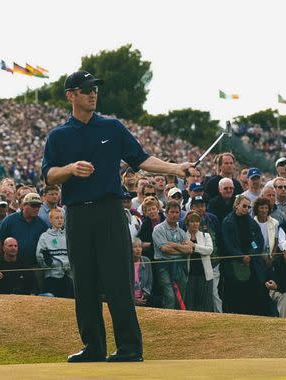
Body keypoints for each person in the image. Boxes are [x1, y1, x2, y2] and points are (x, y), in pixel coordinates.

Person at [42, 70, 192, 363]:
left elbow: (141, 158)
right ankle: (93, 347)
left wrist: (175, 168)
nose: (93, 94)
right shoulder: (58, 136)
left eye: (95, 89)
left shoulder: (112, 127)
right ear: (71, 95)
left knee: (118, 282)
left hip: (110, 211)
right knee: (84, 283)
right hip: (77, 214)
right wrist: (70, 169)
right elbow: (48, 174)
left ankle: (129, 348)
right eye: (86, 90)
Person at [221, 194, 266, 315]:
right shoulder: (227, 222)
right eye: (244, 206)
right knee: (236, 295)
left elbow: (258, 241)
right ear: (236, 205)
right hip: (234, 265)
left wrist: (251, 254)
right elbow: (227, 244)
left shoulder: (251, 222)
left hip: (251, 264)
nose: (247, 209)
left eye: (249, 207)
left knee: (251, 295)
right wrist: (241, 257)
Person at [152, 200, 191, 309]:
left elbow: (189, 250)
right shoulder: (158, 229)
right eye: (172, 212)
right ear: (166, 213)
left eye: (177, 212)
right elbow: (165, 248)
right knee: (170, 296)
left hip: (180, 266)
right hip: (164, 266)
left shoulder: (181, 232)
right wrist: (181, 249)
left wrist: (174, 245)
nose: (174, 215)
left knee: (181, 297)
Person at [36, 208, 72, 298]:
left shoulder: (68, 235)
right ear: (50, 220)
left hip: (68, 275)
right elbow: (40, 255)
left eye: (61, 218)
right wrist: (50, 264)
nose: (60, 220)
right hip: (52, 275)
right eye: (56, 218)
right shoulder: (45, 236)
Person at [183, 211, 214, 312]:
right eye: (192, 221)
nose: (195, 224)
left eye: (197, 221)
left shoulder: (206, 235)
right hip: (189, 276)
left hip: (205, 276)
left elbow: (209, 250)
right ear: (187, 223)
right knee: (190, 304)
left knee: (205, 304)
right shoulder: (183, 236)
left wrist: (194, 246)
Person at [131, 238, 152, 307]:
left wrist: (144, 295)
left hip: (143, 300)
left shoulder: (146, 261)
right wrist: (133, 300)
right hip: (129, 301)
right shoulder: (124, 263)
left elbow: (149, 282)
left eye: (140, 247)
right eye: (135, 247)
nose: (138, 249)